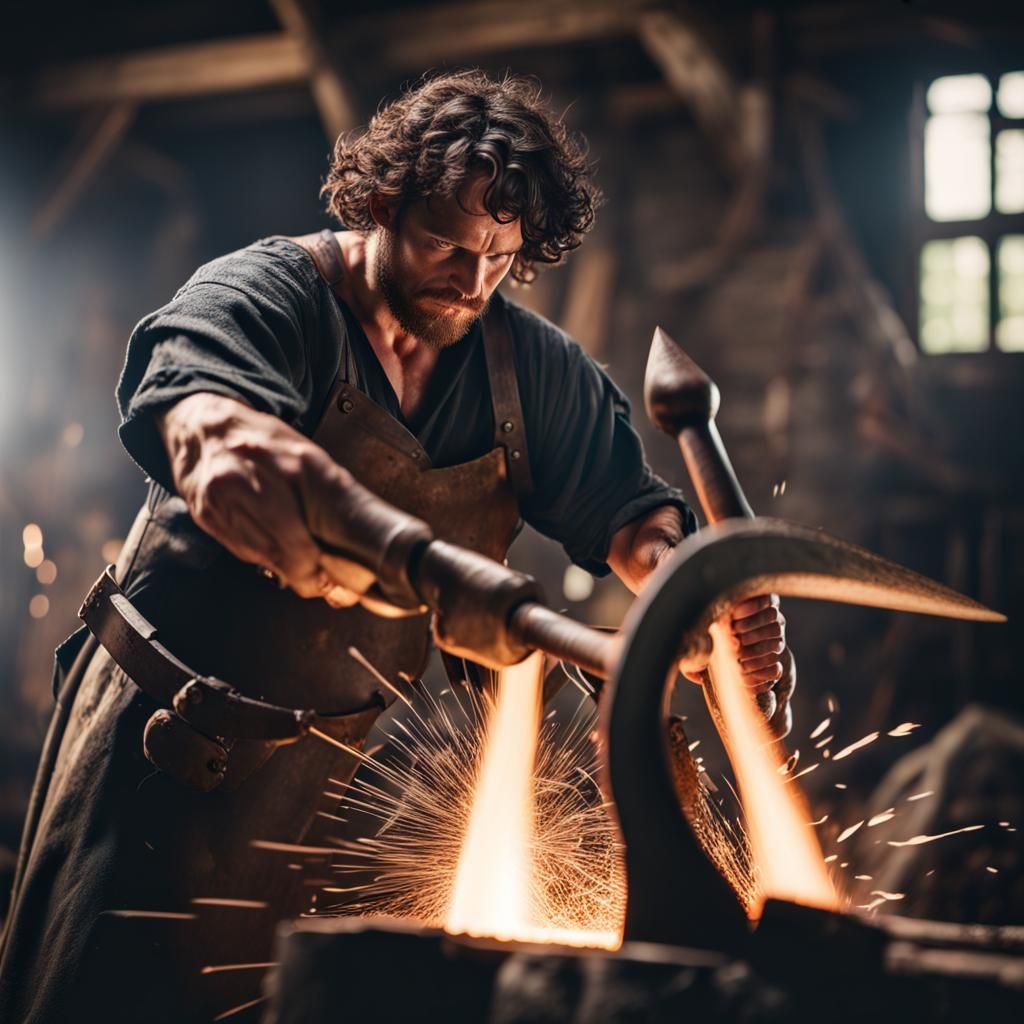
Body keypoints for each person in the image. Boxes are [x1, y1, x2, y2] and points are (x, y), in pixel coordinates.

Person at [0, 70, 792, 1023]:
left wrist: (688, 597)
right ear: (379, 203)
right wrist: (400, 555)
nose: (471, 281)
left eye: (499, 257)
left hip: (328, 786)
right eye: (445, 245)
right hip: (160, 758)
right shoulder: (266, 300)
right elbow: (208, 431)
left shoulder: (523, 365)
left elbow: (633, 515)